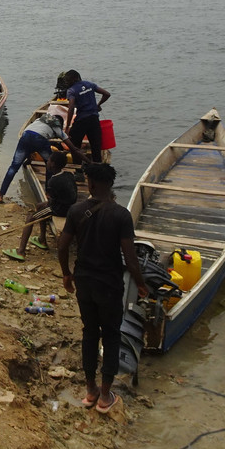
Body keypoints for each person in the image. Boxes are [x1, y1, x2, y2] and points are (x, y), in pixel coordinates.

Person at [58, 163, 149, 414]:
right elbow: (130, 258)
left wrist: (67, 274)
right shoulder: (121, 215)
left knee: (89, 332)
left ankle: (90, 390)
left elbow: (62, 246)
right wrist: (140, 284)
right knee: (111, 335)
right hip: (109, 285)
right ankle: (105, 396)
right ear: (110, 185)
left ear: (91, 184)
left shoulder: (76, 211)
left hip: (84, 282)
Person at [3, 150, 76, 261]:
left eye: (49, 160)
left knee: (30, 218)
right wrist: (44, 204)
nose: (47, 162)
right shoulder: (69, 175)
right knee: (40, 206)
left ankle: (21, 251)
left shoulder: (53, 181)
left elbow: (51, 203)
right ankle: (42, 239)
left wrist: (47, 204)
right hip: (69, 207)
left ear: (53, 164)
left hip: (59, 209)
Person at [0, 114, 82, 203]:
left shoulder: (39, 120)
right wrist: (87, 160)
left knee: (13, 167)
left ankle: (0, 195)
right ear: (59, 123)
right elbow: (73, 148)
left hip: (25, 136)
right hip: (40, 140)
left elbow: (31, 142)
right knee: (50, 165)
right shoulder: (57, 127)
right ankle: (48, 193)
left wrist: (29, 159)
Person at [62, 70, 111, 164]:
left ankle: (78, 170)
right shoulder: (89, 84)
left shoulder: (71, 90)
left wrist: (67, 126)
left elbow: (71, 108)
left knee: (74, 145)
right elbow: (107, 94)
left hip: (81, 121)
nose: (67, 83)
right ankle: (98, 169)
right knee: (96, 146)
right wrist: (98, 105)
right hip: (94, 119)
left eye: (68, 80)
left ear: (75, 78)